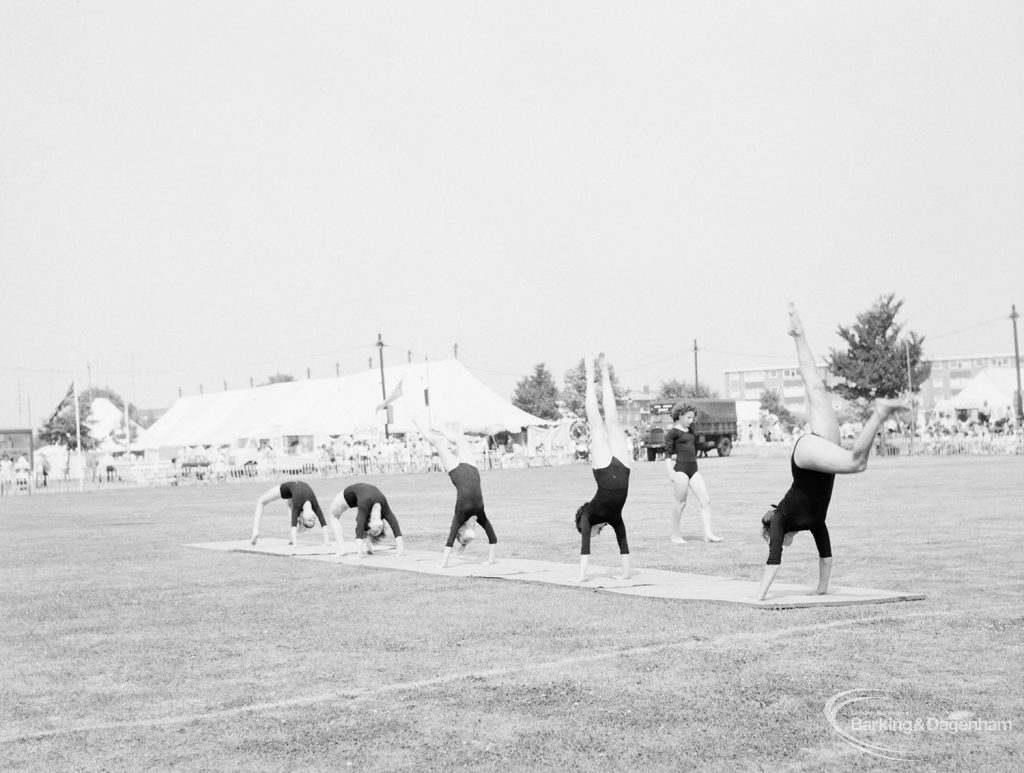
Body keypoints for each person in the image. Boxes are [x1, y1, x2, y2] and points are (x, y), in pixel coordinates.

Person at [756, 304, 907, 601]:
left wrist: (758, 597)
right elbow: (826, 557)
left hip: (806, 459)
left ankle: (878, 414)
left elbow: (773, 560)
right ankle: (798, 333)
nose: (779, 543)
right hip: (819, 455)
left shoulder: (779, 520)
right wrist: (822, 589)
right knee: (815, 386)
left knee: (855, 463)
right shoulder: (814, 522)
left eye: (773, 540)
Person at [574, 353, 631, 582]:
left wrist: (580, 578)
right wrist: (625, 574)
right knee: (614, 420)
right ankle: (605, 372)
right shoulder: (613, 517)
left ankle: (592, 374)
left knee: (597, 424)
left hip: (604, 471)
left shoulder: (587, 517)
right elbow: (623, 544)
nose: (594, 535)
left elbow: (585, 549)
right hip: (623, 468)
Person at [413, 415, 497, 567]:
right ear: (461, 529)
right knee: (446, 440)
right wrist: (443, 564)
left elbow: (493, 539)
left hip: (467, 471)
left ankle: (425, 424)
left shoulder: (476, 515)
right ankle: (431, 426)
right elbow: (451, 541)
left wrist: (489, 561)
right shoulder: (467, 516)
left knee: (452, 440)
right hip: (465, 471)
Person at [664, 404, 722, 544]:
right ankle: (675, 535)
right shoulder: (673, 433)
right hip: (680, 470)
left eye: (692, 417)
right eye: (688, 417)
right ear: (679, 416)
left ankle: (708, 534)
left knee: (706, 500)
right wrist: (671, 473)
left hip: (694, 469)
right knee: (681, 503)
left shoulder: (691, 431)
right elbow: (668, 454)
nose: (691, 420)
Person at [328, 482, 405, 557]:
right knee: (333, 515)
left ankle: (366, 548)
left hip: (363, 495)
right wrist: (359, 555)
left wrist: (400, 551)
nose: (375, 532)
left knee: (363, 521)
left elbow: (396, 527)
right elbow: (359, 530)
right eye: (374, 532)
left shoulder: (383, 509)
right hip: (349, 494)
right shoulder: (369, 507)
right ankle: (342, 549)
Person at [251, 480, 330, 549]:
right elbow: (323, 522)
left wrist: (295, 544)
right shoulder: (314, 505)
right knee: (261, 502)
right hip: (288, 488)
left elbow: (294, 524)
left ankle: (255, 531)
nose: (312, 519)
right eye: (313, 520)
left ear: (303, 517)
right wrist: (327, 541)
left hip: (291, 489)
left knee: (262, 502)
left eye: (309, 521)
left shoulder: (298, 503)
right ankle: (291, 538)